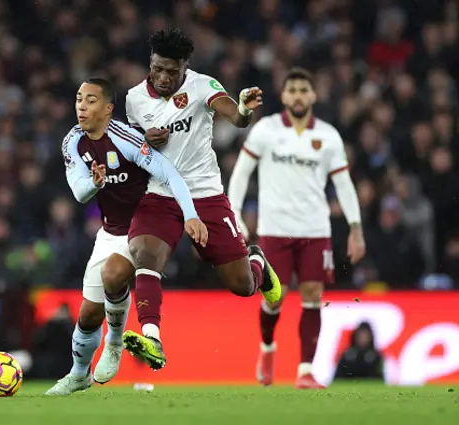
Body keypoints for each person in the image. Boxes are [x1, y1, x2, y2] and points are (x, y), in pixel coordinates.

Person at [120, 27, 281, 370]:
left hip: (205, 193)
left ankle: (257, 263)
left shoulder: (202, 86)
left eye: (171, 71)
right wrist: (144, 140)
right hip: (159, 194)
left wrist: (244, 110)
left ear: (184, 67)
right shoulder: (134, 99)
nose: (163, 77)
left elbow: (235, 117)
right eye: (157, 68)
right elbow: (131, 147)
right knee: (145, 255)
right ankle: (152, 337)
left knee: (241, 286)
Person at [45, 78, 207, 395]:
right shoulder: (72, 142)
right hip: (109, 231)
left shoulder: (126, 138)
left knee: (114, 274)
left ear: (107, 109)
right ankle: (79, 375)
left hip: (144, 225)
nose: (81, 105)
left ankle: (115, 341)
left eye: (90, 100)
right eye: (79, 98)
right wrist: (95, 182)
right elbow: (79, 193)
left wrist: (190, 214)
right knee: (89, 313)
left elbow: (168, 172)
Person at [227, 67, 366, 389]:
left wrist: (356, 228)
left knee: (313, 296)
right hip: (275, 228)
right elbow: (241, 172)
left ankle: (305, 371)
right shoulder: (266, 129)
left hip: (316, 230)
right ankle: (267, 347)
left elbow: (343, 184)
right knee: (275, 297)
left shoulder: (328, 135)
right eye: (293, 90)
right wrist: (234, 213)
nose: (299, 95)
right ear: (284, 95)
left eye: (305, 89)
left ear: (314, 95)